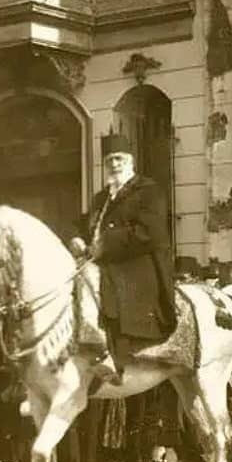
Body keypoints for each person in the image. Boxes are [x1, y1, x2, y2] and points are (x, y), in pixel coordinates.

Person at [71, 131, 176, 385]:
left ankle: (108, 353)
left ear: (130, 161)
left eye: (118, 159)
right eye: (109, 161)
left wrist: (106, 244)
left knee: (95, 279)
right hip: (105, 261)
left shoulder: (148, 192)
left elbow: (150, 233)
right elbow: (83, 224)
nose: (114, 165)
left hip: (139, 264)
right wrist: (76, 237)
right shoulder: (102, 198)